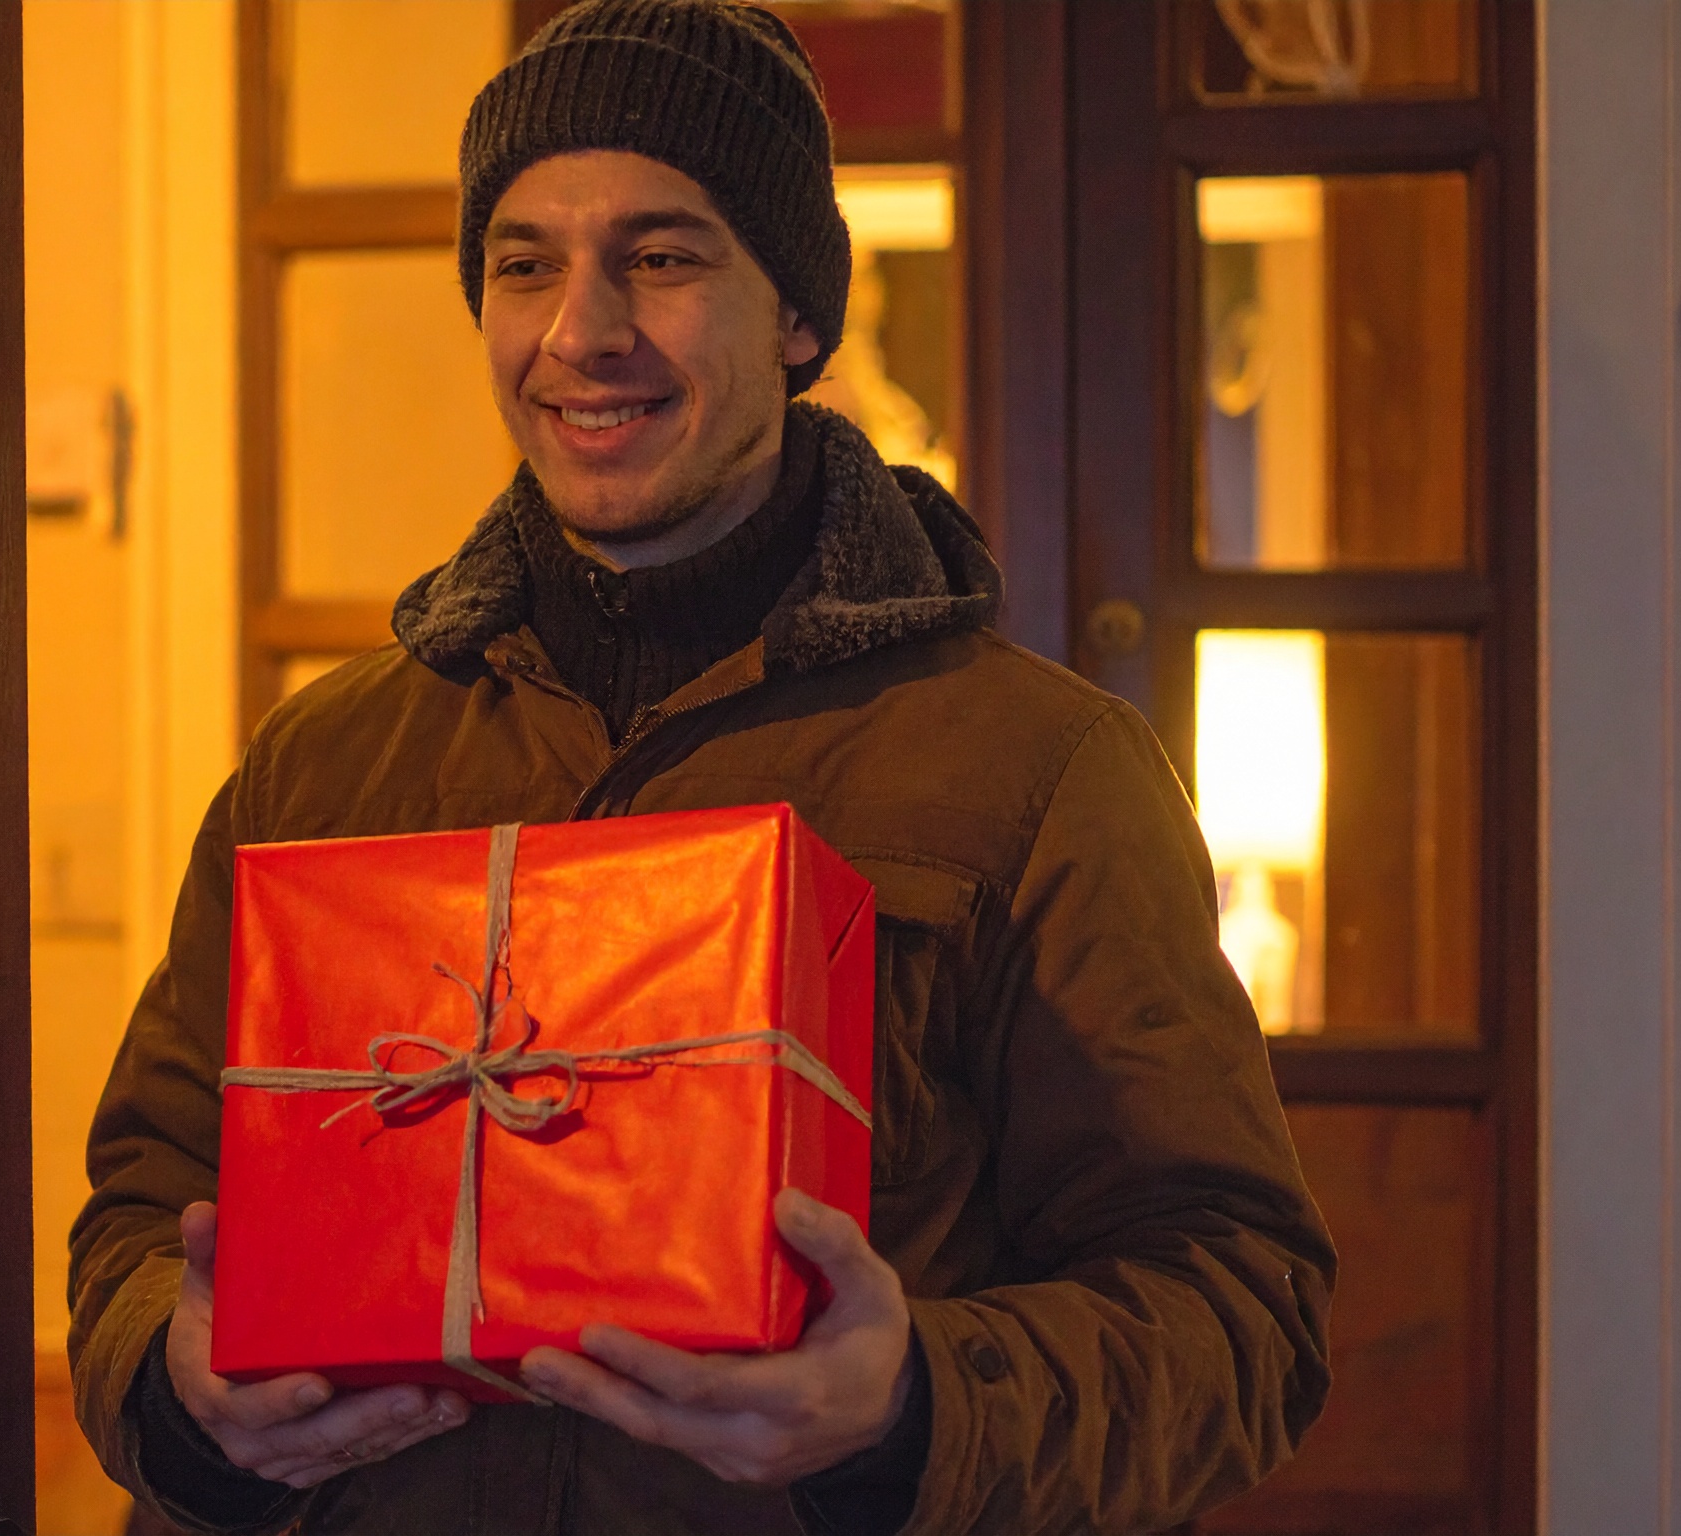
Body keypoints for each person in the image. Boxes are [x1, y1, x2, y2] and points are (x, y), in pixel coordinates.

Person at [68, 2, 1336, 1531]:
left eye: (661, 258)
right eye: (523, 263)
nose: (580, 331)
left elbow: (1237, 1306)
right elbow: (142, 1217)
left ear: (800, 316)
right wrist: (176, 1385)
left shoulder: (1041, 766)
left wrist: (907, 1403)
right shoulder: (327, 762)